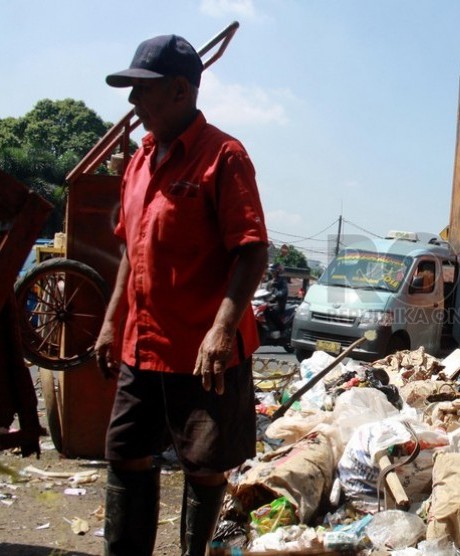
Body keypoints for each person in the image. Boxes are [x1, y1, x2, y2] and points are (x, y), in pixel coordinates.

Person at [94, 34, 268, 556]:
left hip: (203, 354)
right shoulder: (140, 160)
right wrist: (110, 321)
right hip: (141, 347)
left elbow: (252, 252)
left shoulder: (224, 156)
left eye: (140, 90)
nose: (131, 102)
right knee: (125, 454)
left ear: (178, 90)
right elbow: (130, 247)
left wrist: (222, 330)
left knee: (206, 468)